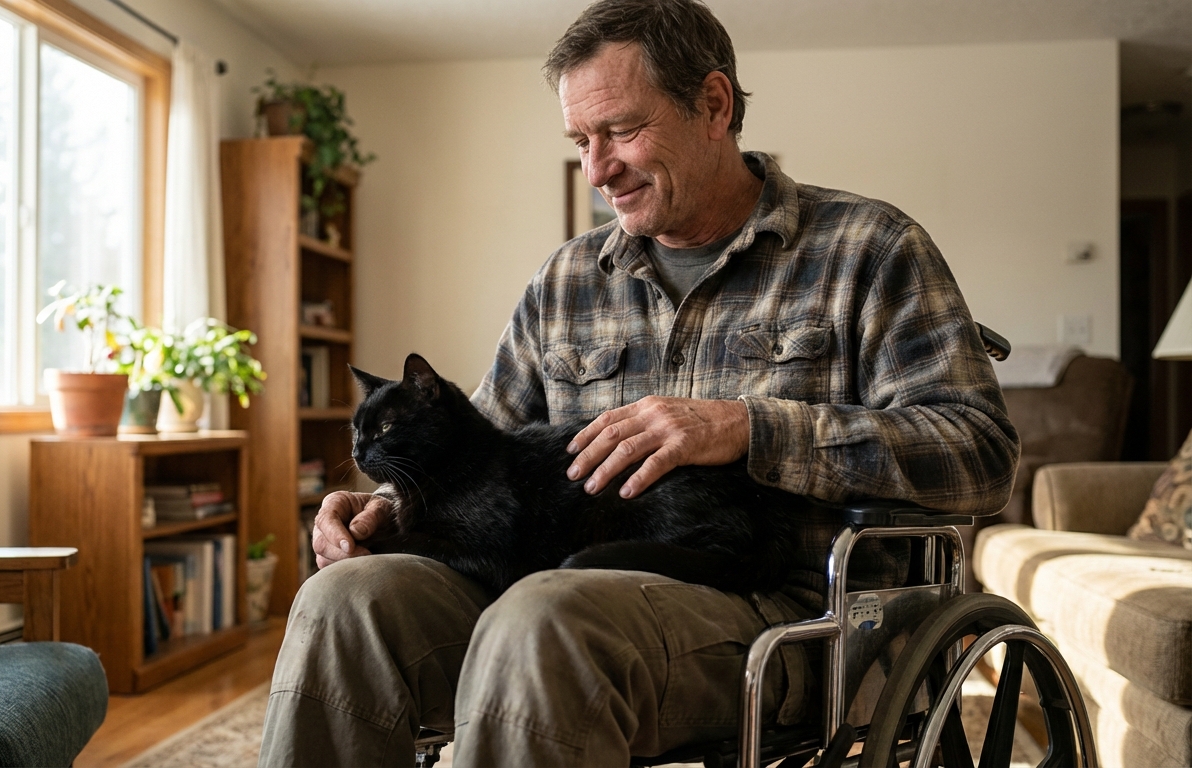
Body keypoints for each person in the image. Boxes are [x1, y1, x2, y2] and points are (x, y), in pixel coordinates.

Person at [258, 0, 1019, 764]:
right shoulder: (565, 280)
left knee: (544, 619)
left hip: (789, 613)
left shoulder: (870, 249)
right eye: (581, 141)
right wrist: (382, 510)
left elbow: (980, 455)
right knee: (342, 602)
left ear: (713, 105)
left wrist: (750, 426)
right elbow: (473, 451)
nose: (597, 170)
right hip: (552, 583)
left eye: (621, 131)